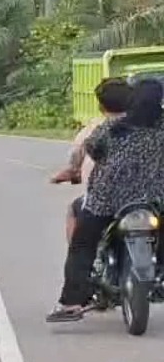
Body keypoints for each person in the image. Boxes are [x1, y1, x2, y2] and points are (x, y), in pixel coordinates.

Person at [47, 78, 164, 322]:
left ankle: (72, 302)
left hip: (107, 202)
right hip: (153, 200)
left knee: (82, 245)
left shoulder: (112, 127)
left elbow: (94, 151)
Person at [51, 77, 134, 243]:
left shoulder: (95, 128)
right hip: (147, 199)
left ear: (101, 106)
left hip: (104, 201)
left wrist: (72, 171)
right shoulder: (149, 126)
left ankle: (78, 266)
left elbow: (76, 155)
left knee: (75, 213)